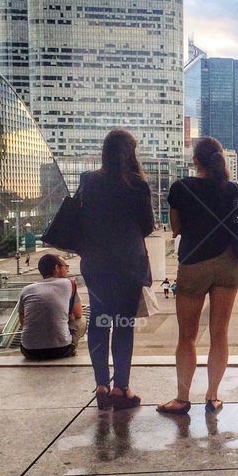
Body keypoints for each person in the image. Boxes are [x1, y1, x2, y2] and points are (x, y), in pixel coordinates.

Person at [158, 137, 238, 416]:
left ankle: (182, 399)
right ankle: (213, 396)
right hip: (227, 264)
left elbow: (175, 228)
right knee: (219, 333)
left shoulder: (180, 188)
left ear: (195, 161)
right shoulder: (231, 189)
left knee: (187, 336)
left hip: (193, 264)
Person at [77, 129, 155, 410]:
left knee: (99, 320)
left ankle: (101, 385)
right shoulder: (137, 185)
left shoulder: (88, 180)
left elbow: (79, 218)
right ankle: (122, 388)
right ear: (130, 153)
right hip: (127, 263)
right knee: (124, 324)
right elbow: (147, 225)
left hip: (95, 262)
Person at [18, 254, 85, 360]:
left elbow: (23, 321)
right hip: (60, 350)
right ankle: (71, 348)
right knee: (82, 321)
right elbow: (78, 314)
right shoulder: (69, 284)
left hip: (29, 351)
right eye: (65, 266)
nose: (67, 270)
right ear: (57, 268)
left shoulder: (26, 289)